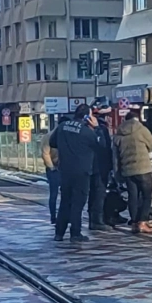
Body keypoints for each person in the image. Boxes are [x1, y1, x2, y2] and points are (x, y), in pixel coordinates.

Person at [49, 104, 104, 247]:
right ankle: (75, 233)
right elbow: (101, 147)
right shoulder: (87, 132)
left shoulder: (62, 126)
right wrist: (97, 128)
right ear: (87, 117)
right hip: (82, 171)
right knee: (78, 203)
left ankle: (59, 233)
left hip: (65, 170)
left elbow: (52, 142)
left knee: (65, 202)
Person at [114, 108, 152, 233]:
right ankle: (143, 222)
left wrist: (117, 175)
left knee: (133, 196)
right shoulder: (141, 129)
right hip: (143, 169)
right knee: (147, 196)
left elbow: (115, 158)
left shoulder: (118, 134)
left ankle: (134, 223)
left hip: (127, 170)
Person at [88, 98, 113, 233]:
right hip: (99, 166)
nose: (108, 118)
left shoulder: (89, 127)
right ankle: (96, 220)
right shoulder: (99, 129)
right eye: (106, 115)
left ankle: (94, 218)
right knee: (99, 193)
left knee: (94, 192)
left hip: (92, 166)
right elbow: (104, 147)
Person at [41, 115, 68, 224]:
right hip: (54, 168)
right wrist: (51, 167)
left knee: (66, 194)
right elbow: (45, 153)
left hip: (65, 168)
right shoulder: (49, 136)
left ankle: (64, 215)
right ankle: (53, 216)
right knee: (54, 193)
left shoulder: (67, 136)